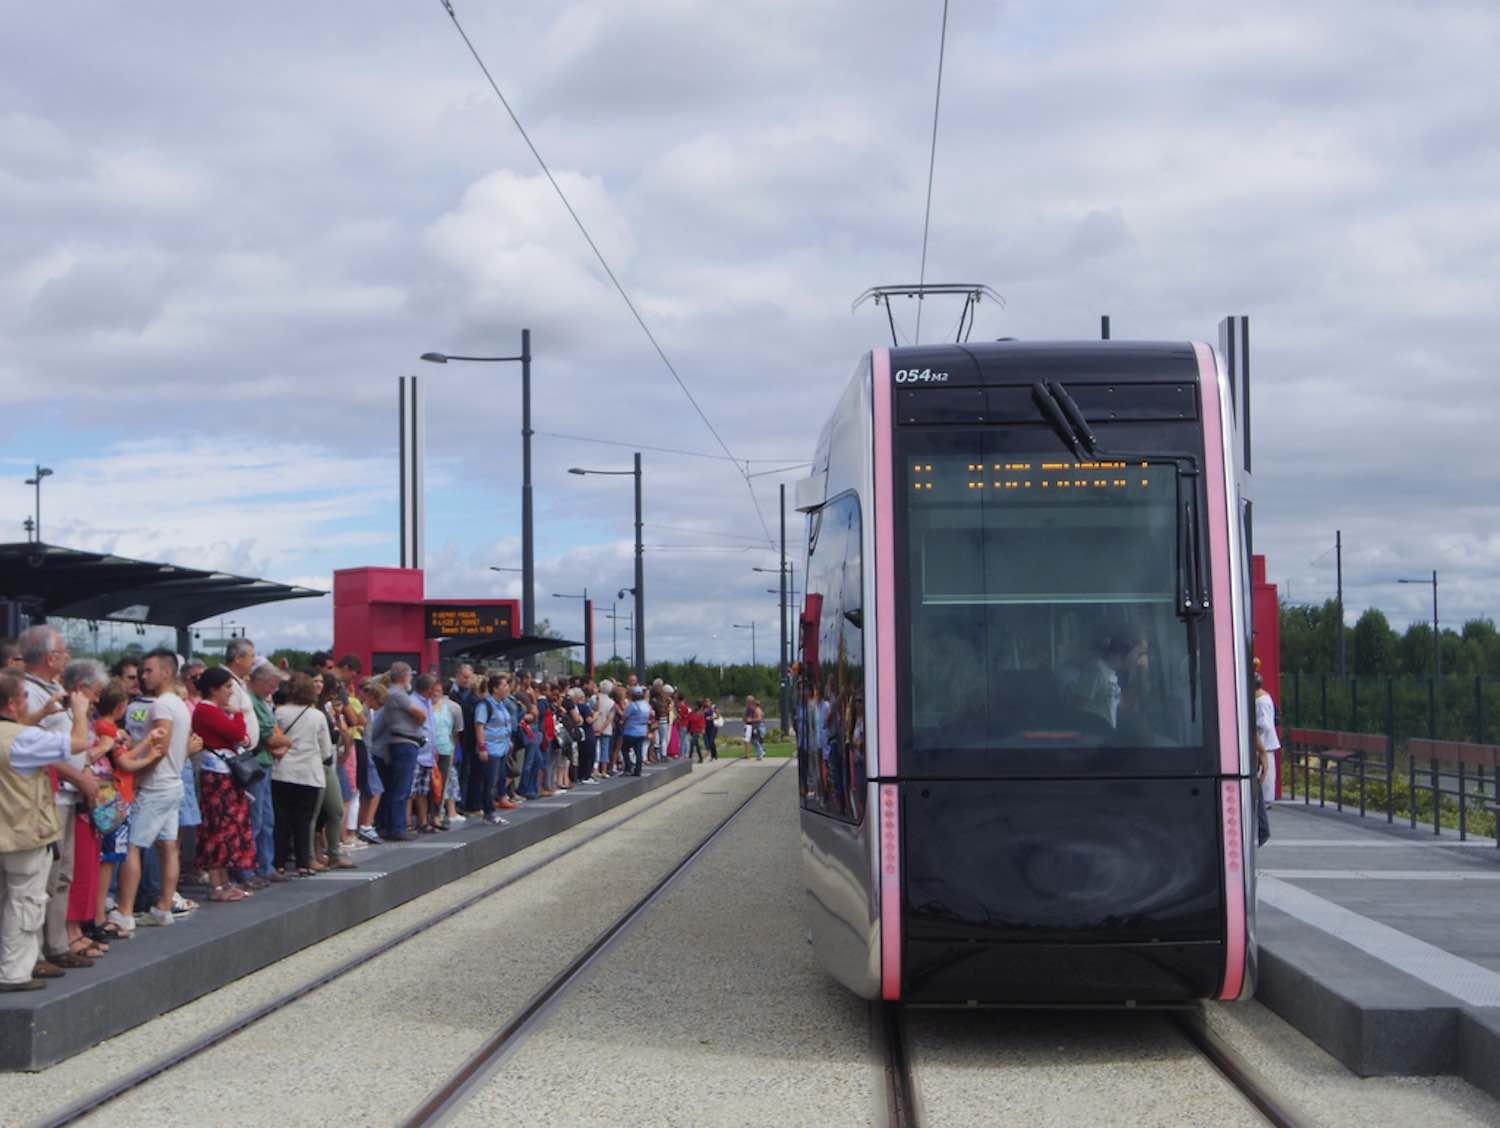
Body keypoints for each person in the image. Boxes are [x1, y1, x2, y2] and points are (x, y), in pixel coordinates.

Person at [0, 670, 99, 992]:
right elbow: (78, 743)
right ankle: (14, 973)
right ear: (14, 703)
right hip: (22, 833)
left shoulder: (15, 735)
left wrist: (42, 713)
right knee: (24, 901)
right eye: (25, 697)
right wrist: (80, 711)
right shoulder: (23, 739)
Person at [113, 649, 191, 934]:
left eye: (148, 671)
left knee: (133, 846)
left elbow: (159, 747)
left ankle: (124, 911)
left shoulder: (162, 706)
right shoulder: (179, 704)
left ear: (166, 672)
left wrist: (131, 765)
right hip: (173, 783)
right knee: (168, 845)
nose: (143, 677)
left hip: (155, 785)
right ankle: (163, 907)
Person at [191, 666, 257, 902]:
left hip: (221, 773)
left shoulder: (211, 711)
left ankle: (224, 881)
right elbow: (238, 733)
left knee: (223, 828)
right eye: (228, 687)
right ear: (214, 689)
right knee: (220, 828)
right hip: (218, 775)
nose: (231, 692)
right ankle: (218, 885)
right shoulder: (206, 711)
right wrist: (238, 714)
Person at [272, 673, 332, 876]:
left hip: (282, 771)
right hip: (309, 773)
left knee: (282, 819)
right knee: (303, 820)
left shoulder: (279, 713)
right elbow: (326, 750)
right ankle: (303, 863)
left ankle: (279, 862)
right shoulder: (317, 716)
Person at [246, 661, 291, 883]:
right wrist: (287, 740)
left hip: (264, 762)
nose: (273, 691)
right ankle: (251, 868)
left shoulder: (261, 702)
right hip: (257, 763)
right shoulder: (253, 702)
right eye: (271, 686)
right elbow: (270, 735)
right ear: (261, 681)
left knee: (265, 818)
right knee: (256, 818)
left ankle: (265, 865)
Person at [379, 662, 427, 842]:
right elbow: (420, 713)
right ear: (403, 676)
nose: (411, 679)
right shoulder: (398, 694)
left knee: (397, 786)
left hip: (400, 743)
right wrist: (419, 721)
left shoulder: (392, 694)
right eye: (410, 675)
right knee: (402, 787)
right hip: (404, 743)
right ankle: (397, 827)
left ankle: (392, 825)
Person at [315, 673, 353, 867]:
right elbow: (338, 737)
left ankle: (332, 853)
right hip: (320, 762)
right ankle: (318, 854)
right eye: (335, 689)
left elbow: (345, 735)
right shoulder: (317, 709)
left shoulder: (326, 709)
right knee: (319, 813)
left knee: (334, 810)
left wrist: (338, 720)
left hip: (330, 762)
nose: (336, 695)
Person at [620, 686, 651, 777]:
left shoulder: (633, 705)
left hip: (631, 731)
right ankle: (638, 770)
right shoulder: (646, 705)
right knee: (638, 751)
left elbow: (624, 716)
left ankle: (628, 767)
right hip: (642, 731)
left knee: (624, 749)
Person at [744, 696, 766, 760]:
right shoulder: (753, 709)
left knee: (756, 740)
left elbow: (759, 719)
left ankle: (761, 753)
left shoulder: (757, 710)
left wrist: (751, 720)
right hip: (755, 726)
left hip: (758, 727)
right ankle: (761, 752)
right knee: (755, 740)